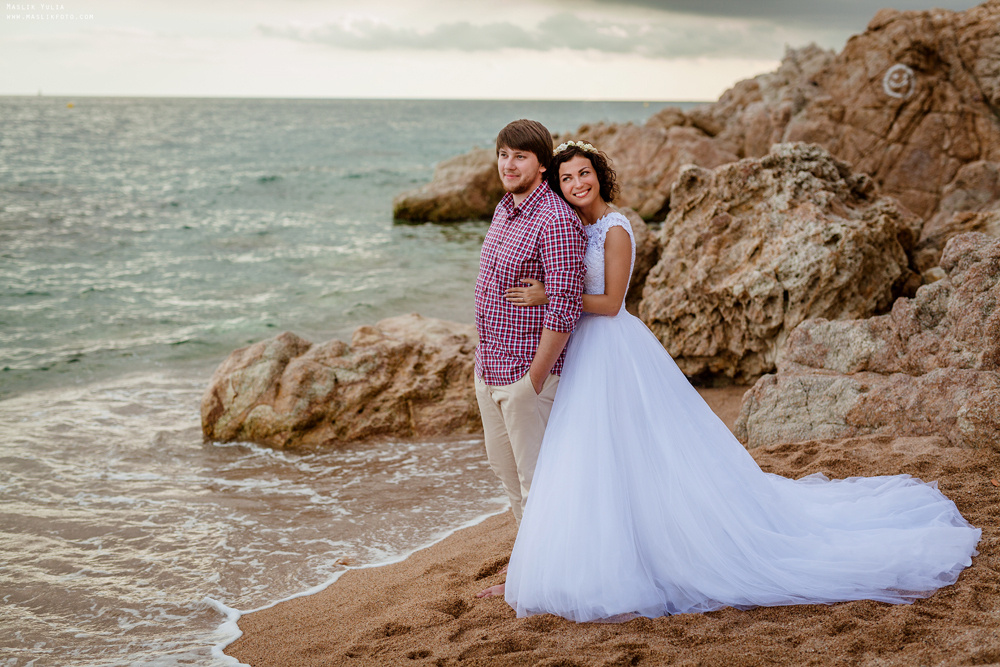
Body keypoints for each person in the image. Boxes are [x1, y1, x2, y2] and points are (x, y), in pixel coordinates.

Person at [494, 140, 981, 621]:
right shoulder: (572, 226)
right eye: (566, 178)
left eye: (584, 173)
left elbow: (613, 302)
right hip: (584, 349)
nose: (577, 184)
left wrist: (551, 296)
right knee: (596, 451)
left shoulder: (616, 229)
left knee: (637, 447)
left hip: (612, 344)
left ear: (599, 174)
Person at [472, 120, 587, 598]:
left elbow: (564, 307)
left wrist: (533, 380)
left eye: (519, 156)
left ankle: (554, 578)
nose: (508, 164)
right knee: (507, 476)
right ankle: (530, 570)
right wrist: (480, 363)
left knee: (539, 481)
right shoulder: (504, 210)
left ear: (542, 163)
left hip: (527, 377)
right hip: (489, 369)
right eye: (503, 154)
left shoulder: (556, 219)